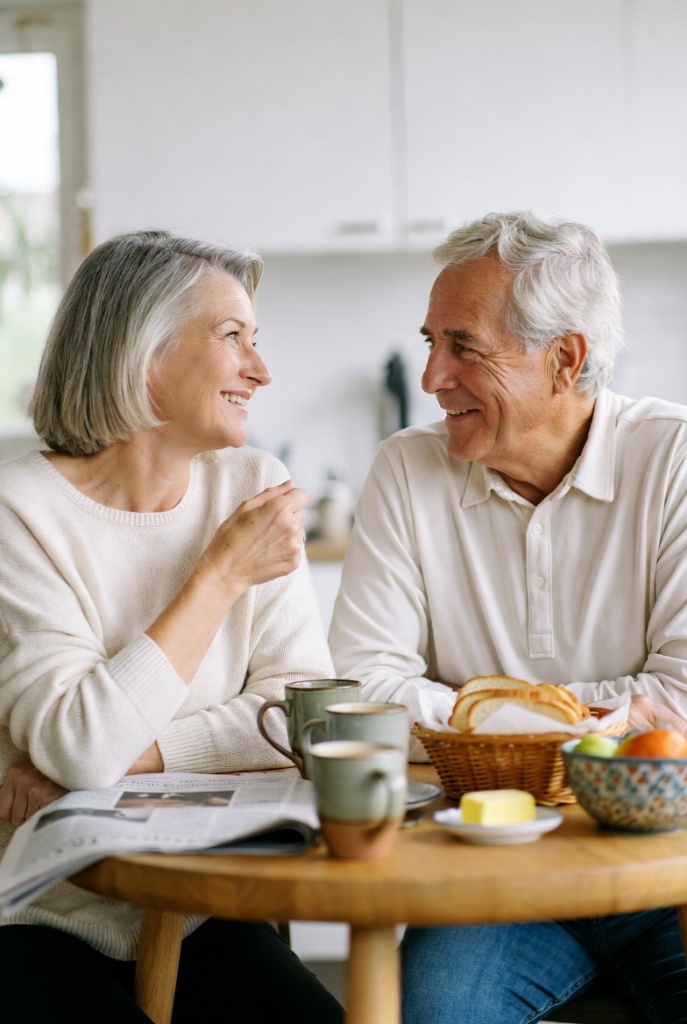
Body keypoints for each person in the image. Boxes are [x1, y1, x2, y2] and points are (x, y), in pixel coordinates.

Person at [328, 210, 687, 1023]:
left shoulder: (673, 458)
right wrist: (589, 712)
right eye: (429, 342)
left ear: (565, 360)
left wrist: (469, 714)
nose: (430, 378)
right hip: (487, 869)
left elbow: (680, 695)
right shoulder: (405, 470)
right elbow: (364, 689)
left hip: (664, 858)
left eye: (462, 346)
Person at [0, 230, 343, 1024]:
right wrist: (219, 576)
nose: (260, 369)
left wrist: (130, 758)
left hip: (205, 905)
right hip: (44, 909)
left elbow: (303, 715)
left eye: (256, 341)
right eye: (234, 339)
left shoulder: (254, 485)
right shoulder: (22, 511)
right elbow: (83, 743)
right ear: (143, 356)